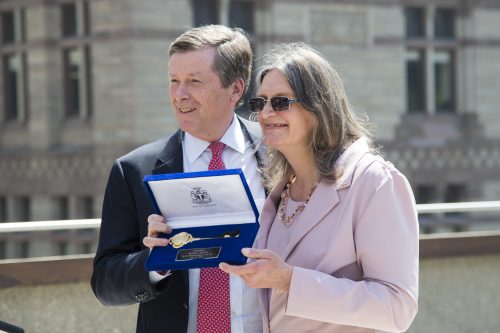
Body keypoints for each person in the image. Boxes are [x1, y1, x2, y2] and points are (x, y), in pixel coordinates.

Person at [220, 43, 419, 333]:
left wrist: (289, 281)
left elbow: (396, 307)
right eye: (259, 103)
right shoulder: (280, 188)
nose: (265, 113)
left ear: (319, 106)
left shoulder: (374, 182)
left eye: (280, 102)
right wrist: (170, 237)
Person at [91, 25, 266, 333]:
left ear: (236, 90)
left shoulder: (281, 155)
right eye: (174, 81)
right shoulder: (133, 170)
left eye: (194, 81)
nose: (179, 94)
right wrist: (155, 262)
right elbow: (105, 283)